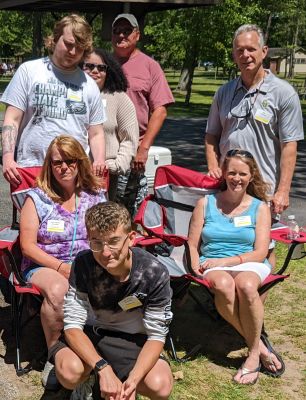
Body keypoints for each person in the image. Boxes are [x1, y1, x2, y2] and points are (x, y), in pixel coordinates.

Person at [204, 24, 304, 266]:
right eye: (239, 50)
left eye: (251, 49)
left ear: (264, 51)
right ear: (233, 54)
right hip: (229, 183)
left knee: (263, 244)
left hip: (264, 186)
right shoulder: (224, 93)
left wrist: (283, 190)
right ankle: (229, 294)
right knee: (228, 237)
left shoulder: (283, 93)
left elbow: (290, 145)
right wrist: (213, 166)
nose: (245, 55)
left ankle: (255, 297)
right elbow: (211, 136)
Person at [52, 201, 173, 399]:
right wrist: (103, 368)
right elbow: (73, 325)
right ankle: (87, 379)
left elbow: (157, 335)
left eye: (114, 241)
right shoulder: (83, 264)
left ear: (131, 238)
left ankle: (120, 376)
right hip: (89, 334)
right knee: (69, 372)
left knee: (160, 385)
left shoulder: (153, 272)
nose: (105, 252)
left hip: (131, 339)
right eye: (96, 243)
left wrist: (133, 380)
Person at [188, 149, 284, 384]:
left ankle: (252, 354)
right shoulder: (206, 203)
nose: (236, 178)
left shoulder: (260, 208)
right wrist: (194, 266)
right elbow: (192, 243)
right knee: (223, 284)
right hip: (212, 261)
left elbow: (261, 252)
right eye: (232, 172)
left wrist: (226, 262)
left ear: (251, 176)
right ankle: (259, 348)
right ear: (223, 173)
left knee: (247, 285)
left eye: (242, 173)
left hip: (250, 261)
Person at [20, 135, 107, 389]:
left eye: (70, 161)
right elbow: (27, 246)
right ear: (49, 165)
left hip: (88, 262)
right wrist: (60, 267)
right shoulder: (37, 198)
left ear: (80, 163)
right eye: (58, 162)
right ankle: (56, 353)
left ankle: (99, 350)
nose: (64, 167)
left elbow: (106, 233)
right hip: (44, 264)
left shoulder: (95, 195)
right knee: (59, 290)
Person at [1, 14, 106, 187]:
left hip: (74, 174)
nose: (72, 52)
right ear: (55, 39)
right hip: (32, 170)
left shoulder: (89, 85)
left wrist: (99, 160)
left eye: (79, 48)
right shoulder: (29, 71)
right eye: (68, 44)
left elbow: (96, 133)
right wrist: (7, 158)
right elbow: (12, 119)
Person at [112, 13, 174, 216]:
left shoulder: (150, 66)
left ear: (137, 35)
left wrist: (144, 147)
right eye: (116, 31)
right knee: (101, 207)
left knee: (129, 210)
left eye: (127, 31)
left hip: (133, 150)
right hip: (102, 150)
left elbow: (160, 110)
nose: (121, 35)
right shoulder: (101, 64)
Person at [82, 48, 139, 202]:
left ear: (109, 72)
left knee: (100, 221)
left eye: (101, 68)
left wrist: (116, 165)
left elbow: (129, 139)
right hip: (70, 172)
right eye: (89, 66)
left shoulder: (119, 99)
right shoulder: (71, 95)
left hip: (103, 175)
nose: (95, 71)